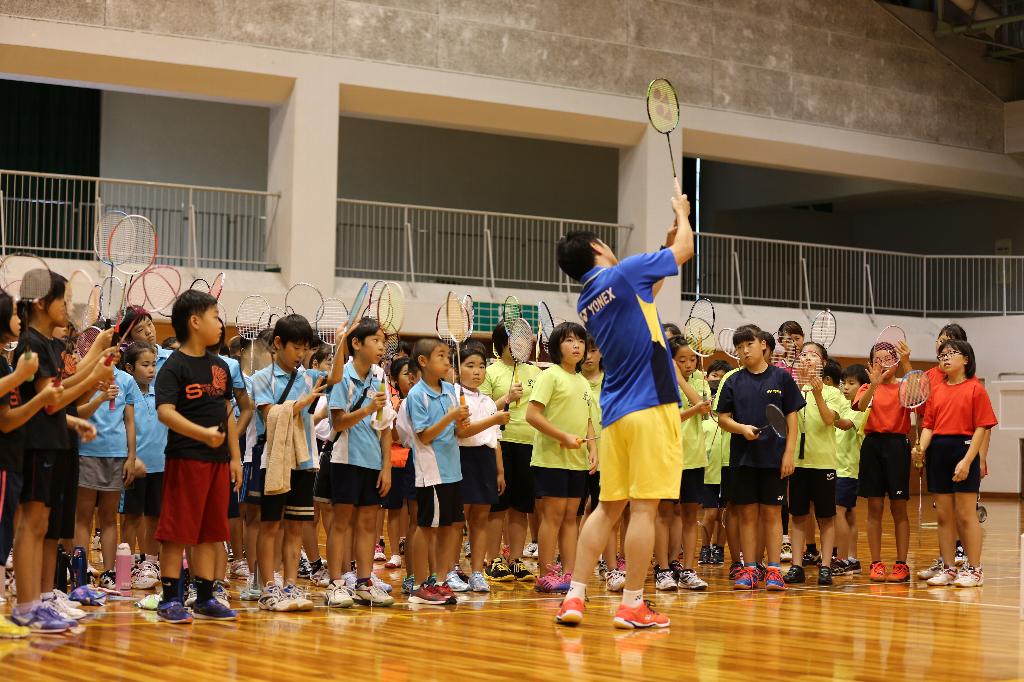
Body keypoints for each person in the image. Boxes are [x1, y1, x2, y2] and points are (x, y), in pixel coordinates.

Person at [554, 181, 693, 629]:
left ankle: (574, 596)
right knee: (646, 508)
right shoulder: (624, 274)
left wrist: (664, 242)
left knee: (608, 507)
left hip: (614, 413)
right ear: (598, 246)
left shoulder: (590, 297)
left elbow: (644, 289)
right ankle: (633, 602)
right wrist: (684, 214)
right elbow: (685, 253)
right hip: (651, 405)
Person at [12, 273, 113, 633]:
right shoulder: (31, 344)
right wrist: (93, 379)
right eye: (63, 300)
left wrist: (97, 358)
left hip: (52, 443)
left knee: (43, 526)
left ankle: (41, 598)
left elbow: (62, 385)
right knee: (31, 525)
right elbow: (52, 402)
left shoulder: (45, 344)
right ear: (41, 302)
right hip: (36, 443)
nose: (68, 308)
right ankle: (26, 605)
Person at [153, 290, 241, 623]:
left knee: (208, 531)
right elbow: (164, 412)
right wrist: (201, 434)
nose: (220, 323)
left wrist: (234, 458)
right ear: (194, 321)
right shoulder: (174, 366)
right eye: (215, 315)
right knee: (177, 531)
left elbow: (227, 413)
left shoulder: (220, 367)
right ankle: (169, 598)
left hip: (218, 464)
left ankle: (204, 597)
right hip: (185, 459)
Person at [716, 324, 804, 591]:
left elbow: (792, 420)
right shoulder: (733, 380)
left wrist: (789, 453)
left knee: (772, 514)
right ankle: (751, 569)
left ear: (763, 345)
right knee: (747, 515)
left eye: (749, 345)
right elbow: (722, 419)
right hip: (743, 459)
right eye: (740, 348)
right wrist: (742, 429)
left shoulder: (781, 379)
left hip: (773, 459)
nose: (744, 351)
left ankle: (775, 570)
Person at [0, 292, 64, 638]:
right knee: (16, 531)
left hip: (22, 454)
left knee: (24, 528)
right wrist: (27, 382)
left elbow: (14, 416)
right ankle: (23, 606)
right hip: (20, 452)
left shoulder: (10, 359)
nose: (18, 318)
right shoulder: (27, 349)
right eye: (12, 313)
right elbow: (11, 420)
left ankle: (32, 604)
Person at [251, 314, 325, 612]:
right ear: (278, 344)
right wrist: (302, 403)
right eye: (296, 347)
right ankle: (268, 586)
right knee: (270, 526)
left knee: (295, 527)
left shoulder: (309, 377)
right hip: (275, 460)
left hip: (305, 460)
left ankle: (291, 584)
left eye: (305, 348)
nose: (301, 354)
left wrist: (343, 340)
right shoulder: (261, 379)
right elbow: (270, 416)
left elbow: (336, 378)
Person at [914, 339, 996, 588]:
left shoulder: (975, 389)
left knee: (966, 515)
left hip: (964, 449)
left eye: (952, 353)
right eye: (942, 354)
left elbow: (982, 427)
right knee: (943, 515)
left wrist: (968, 460)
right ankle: (948, 568)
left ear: (966, 360)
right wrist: (920, 449)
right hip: (938, 451)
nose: (945, 357)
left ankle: (974, 568)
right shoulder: (936, 390)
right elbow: (929, 425)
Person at [325, 317, 394, 608]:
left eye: (383, 342)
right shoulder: (342, 377)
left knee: (368, 525)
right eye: (376, 341)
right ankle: (336, 583)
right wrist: (367, 408)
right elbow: (338, 422)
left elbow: (386, 426)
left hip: (372, 461)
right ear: (356, 343)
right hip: (344, 459)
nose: (381, 347)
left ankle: (364, 582)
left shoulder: (379, 379)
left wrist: (387, 466)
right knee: (341, 524)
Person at [525, 322, 598, 594]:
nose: (577, 346)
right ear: (557, 347)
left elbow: (588, 420)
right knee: (553, 517)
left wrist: (593, 449)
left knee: (571, 517)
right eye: (569, 341)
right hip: (551, 459)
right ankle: (545, 573)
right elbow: (532, 415)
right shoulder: (550, 375)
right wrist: (562, 437)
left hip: (576, 461)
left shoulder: (583, 382)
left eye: (580, 341)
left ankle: (569, 573)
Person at [403, 338, 469, 605]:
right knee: (426, 527)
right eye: (441, 356)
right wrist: (451, 417)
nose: (446, 361)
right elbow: (425, 436)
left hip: (453, 469)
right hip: (431, 471)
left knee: (450, 528)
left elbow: (459, 433)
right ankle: (420, 585)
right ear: (423, 361)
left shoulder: (451, 391)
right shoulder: (417, 395)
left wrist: (490, 418)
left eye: (447, 355)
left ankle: (439, 581)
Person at [74, 340, 140, 590]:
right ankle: (83, 569)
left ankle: (110, 571)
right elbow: (77, 412)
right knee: (83, 516)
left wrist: (131, 456)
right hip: (87, 452)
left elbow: (130, 422)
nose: (109, 355)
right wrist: (98, 395)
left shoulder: (126, 381)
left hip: (116, 454)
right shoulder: (85, 377)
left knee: (109, 517)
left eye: (114, 352)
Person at [480, 321, 538, 584]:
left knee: (521, 507)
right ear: (502, 343)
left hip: (530, 446)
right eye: (515, 339)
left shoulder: (536, 373)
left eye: (525, 340)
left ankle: (515, 560)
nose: (521, 344)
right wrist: (506, 398)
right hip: (500, 444)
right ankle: (493, 560)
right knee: (498, 507)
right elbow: (481, 410)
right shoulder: (490, 372)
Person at [783, 343, 844, 586]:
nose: (807, 358)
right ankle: (796, 565)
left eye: (813, 355)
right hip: (798, 464)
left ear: (823, 362)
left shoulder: (832, 393)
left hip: (823, 464)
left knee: (826, 517)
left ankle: (826, 566)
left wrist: (818, 393)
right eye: (803, 355)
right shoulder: (792, 390)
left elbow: (830, 419)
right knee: (798, 516)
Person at [855, 342, 913, 583]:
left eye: (888, 358)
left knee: (899, 508)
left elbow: (918, 396)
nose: (884, 363)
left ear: (896, 362)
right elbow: (859, 406)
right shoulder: (868, 387)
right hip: (872, 446)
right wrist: (875, 384)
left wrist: (909, 362)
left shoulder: (904, 385)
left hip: (898, 446)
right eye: (878, 359)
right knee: (874, 508)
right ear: (871, 364)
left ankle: (901, 564)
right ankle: (876, 563)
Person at [655, 335, 709, 592]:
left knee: (690, 517)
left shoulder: (700, 380)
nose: (688, 364)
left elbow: (705, 407)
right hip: (667, 458)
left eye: (692, 359)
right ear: (671, 361)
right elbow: (668, 419)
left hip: (695, 459)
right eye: (681, 360)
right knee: (663, 515)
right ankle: (663, 569)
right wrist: (674, 379)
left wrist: (682, 381)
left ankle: (687, 569)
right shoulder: (660, 382)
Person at [455, 340, 509, 593]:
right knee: (458, 519)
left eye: (481, 366)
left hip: (486, 462)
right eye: (470, 365)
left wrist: (499, 471)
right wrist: (494, 419)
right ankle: (452, 569)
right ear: (458, 368)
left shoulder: (488, 401)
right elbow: (463, 433)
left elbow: (495, 441)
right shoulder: (454, 395)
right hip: (462, 459)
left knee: (480, 520)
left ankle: (477, 572)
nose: (477, 371)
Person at [118, 343, 166, 590]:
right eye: (144, 365)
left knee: (155, 517)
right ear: (129, 367)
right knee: (132, 517)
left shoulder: (162, 394)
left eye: (153, 364)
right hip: (135, 466)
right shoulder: (127, 392)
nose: (151, 370)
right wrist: (130, 457)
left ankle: (151, 563)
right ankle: (125, 567)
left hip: (160, 465)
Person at [834, 363, 869, 576]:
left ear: (863, 387)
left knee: (839, 512)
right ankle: (851, 558)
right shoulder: (841, 403)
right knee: (849, 514)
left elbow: (846, 425)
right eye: (843, 383)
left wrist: (827, 415)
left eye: (851, 383)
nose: (845, 387)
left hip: (847, 469)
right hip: (835, 467)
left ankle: (843, 558)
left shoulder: (860, 407)